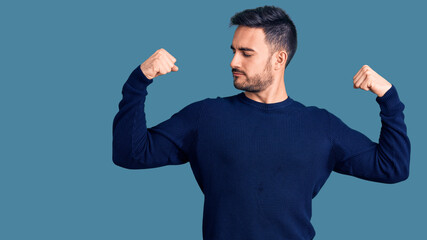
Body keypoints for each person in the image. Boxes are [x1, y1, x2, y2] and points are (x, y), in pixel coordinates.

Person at [112, 5, 410, 240]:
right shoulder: (205, 117)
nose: (233, 62)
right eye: (233, 51)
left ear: (279, 59)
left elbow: (392, 167)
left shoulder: (321, 125)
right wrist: (139, 81)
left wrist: (389, 98)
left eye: (246, 53)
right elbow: (131, 154)